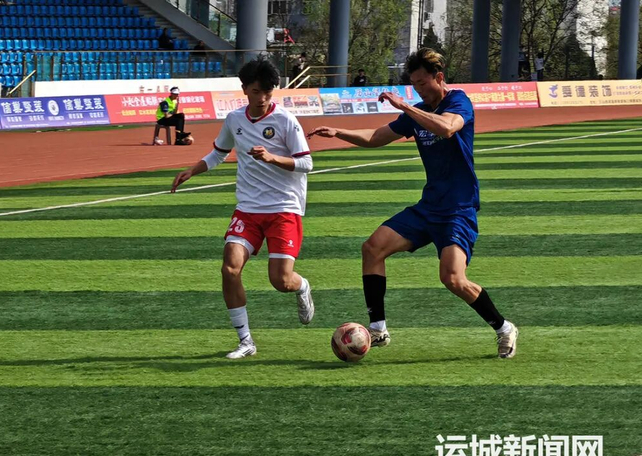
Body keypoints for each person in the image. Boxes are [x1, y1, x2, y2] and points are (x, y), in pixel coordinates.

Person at [307, 48, 519, 358]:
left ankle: (504, 328)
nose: (418, 89)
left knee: (452, 278)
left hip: (458, 209)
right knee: (372, 248)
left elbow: (447, 127)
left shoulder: (458, 101)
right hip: (429, 206)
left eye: (422, 83)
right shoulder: (416, 111)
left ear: (439, 77)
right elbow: (376, 137)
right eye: (414, 84)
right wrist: (339, 132)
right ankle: (378, 329)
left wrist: (404, 106)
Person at [170, 57, 315, 359]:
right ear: (245, 89)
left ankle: (302, 287)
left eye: (267, 92)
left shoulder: (286, 120)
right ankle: (246, 341)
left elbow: (306, 163)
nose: (262, 98)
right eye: (256, 91)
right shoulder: (235, 119)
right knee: (229, 268)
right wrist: (191, 171)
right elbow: (218, 153)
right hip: (248, 208)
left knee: (281, 281)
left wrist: (273, 158)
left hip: (283, 208)